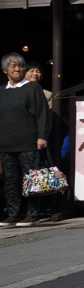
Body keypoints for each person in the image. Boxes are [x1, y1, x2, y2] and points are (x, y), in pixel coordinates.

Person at [0, 52, 49, 227]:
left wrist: (42, 136)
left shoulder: (32, 87)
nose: (17, 69)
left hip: (28, 140)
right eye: (13, 66)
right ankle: (13, 213)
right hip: (6, 143)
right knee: (11, 179)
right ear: (5, 70)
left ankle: (33, 213)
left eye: (20, 66)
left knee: (30, 178)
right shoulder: (2, 91)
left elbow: (42, 113)